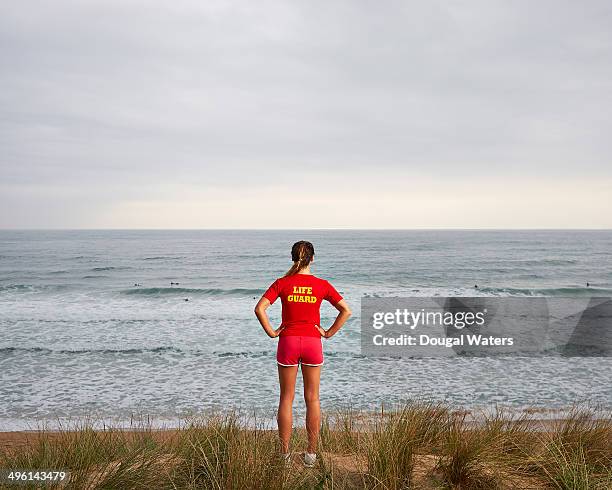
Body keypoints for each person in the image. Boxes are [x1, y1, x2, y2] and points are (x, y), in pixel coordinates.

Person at [254, 241, 352, 467]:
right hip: (312, 343)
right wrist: (328, 333)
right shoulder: (322, 285)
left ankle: (285, 456)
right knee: (313, 398)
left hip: (288, 342)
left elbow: (259, 308)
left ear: (292, 258)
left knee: (286, 399)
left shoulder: (282, 283)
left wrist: (272, 332)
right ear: (313, 258)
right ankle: (310, 455)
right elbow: (346, 310)